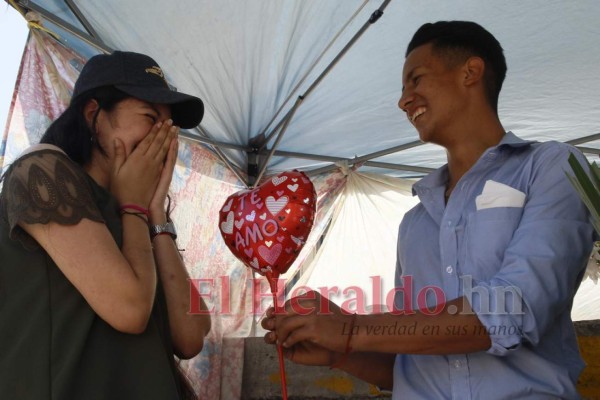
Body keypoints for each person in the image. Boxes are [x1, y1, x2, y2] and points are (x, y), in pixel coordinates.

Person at [262, 21, 595, 399]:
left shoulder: (551, 166)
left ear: (470, 72)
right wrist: (341, 353)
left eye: (415, 80)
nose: (404, 100)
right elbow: (406, 365)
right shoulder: (415, 221)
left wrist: (350, 329)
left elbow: (514, 308)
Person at [0, 51, 211, 399]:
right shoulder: (42, 173)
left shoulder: (139, 213)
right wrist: (133, 207)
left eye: (168, 126)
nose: (163, 135)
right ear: (93, 115)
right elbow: (129, 310)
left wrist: (155, 211)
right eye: (150, 117)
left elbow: (190, 337)